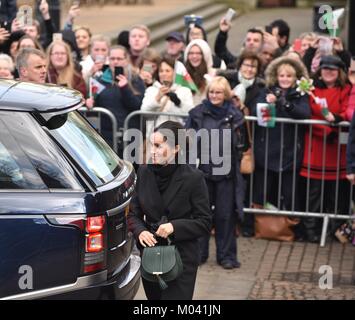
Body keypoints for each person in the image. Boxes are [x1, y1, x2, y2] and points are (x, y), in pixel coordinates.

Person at [127, 121, 212, 300]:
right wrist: (140, 231)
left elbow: (204, 222)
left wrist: (174, 227)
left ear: (176, 149)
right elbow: (133, 214)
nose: (152, 151)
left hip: (182, 256)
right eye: (152, 145)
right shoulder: (144, 172)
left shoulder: (193, 178)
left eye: (158, 146)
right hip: (151, 254)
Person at [185, 76, 245, 269]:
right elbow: (187, 141)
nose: (214, 95)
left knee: (225, 215)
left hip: (227, 173)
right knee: (200, 216)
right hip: (202, 172)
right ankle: (198, 254)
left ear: (226, 94)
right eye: (211, 91)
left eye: (219, 92)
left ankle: (226, 256)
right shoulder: (196, 113)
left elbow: (243, 143)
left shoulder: (235, 115)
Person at [251, 57, 311, 240]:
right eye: (281, 75)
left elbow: (304, 113)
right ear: (276, 76)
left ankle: (293, 229)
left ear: (295, 78)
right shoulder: (266, 91)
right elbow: (254, 112)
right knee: (260, 192)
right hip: (267, 152)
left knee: (290, 194)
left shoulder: (300, 94)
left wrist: (284, 103)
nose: (284, 79)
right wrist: (268, 104)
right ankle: (256, 227)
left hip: (290, 153)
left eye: (289, 76)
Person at [300, 55, 352, 242]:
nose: (328, 72)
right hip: (316, 148)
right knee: (313, 194)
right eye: (325, 68)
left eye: (332, 69)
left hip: (336, 151)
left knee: (335, 195)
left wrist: (337, 120)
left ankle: (333, 231)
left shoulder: (346, 89)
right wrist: (327, 130)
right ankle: (311, 231)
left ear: (339, 72)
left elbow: (347, 111)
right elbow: (307, 116)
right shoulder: (311, 89)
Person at [92, 45, 145, 156]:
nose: (115, 62)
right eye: (112, 59)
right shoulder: (99, 80)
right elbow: (95, 104)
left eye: (119, 59)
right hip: (106, 136)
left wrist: (125, 88)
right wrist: (90, 103)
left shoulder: (135, 79)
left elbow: (137, 105)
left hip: (130, 135)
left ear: (126, 60)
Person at [141, 56, 194, 139]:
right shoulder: (152, 90)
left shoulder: (184, 91)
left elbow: (189, 113)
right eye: (161, 71)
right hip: (155, 138)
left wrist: (177, 102)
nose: (164, 74)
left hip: (176, 137)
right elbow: (144, 112)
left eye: (167, 71)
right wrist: (157, 98)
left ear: (174, 73)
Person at [184, 39, 216, 105]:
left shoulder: (214, 75)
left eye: (198, 53)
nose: (194, 56)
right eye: (191, 53)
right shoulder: (183, 75)